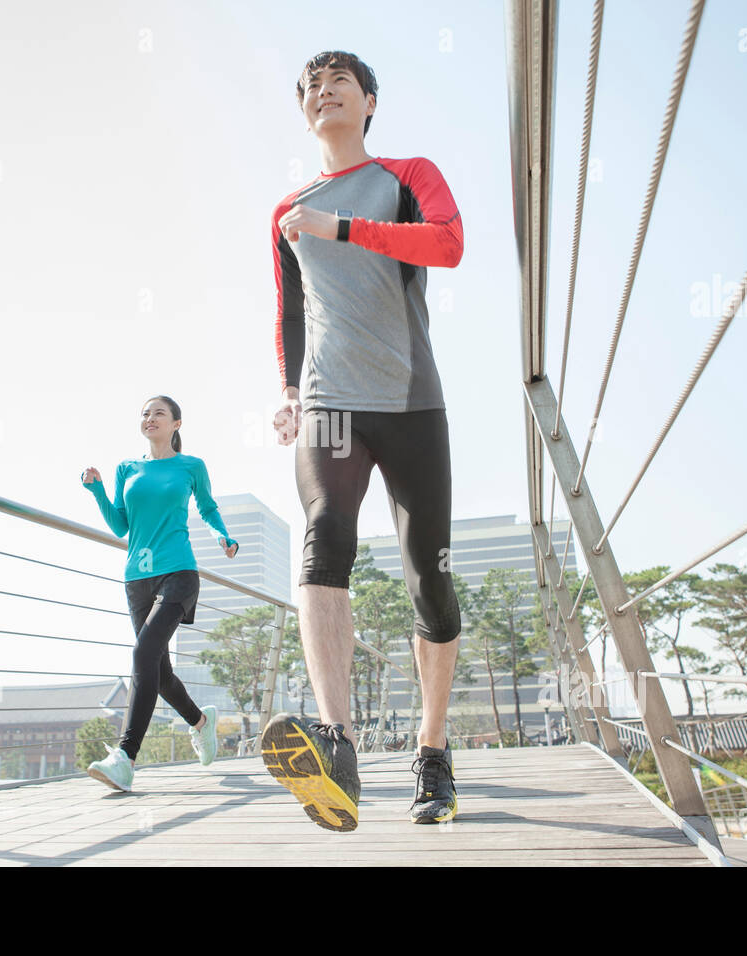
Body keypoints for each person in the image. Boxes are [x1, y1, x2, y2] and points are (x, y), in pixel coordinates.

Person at [260, 51, 465, 831]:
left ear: (369, 100)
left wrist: (341, 225)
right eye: (311, 86)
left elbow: (446, 245)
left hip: (411, 401)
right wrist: (288, 394)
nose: (323, 92)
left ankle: (433, 749)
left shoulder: (409, 174)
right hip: (331, 403)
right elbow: (289, 314)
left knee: (429, 585)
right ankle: (336, 742)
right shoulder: (286, 210)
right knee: (324, 539)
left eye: (338, 81)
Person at [81, 395, 239, 791]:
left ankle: (124, 758)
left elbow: (207, 507)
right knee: (160, 671)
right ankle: (201, 722)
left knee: (142, 653)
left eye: (159, 413)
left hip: (179, 572)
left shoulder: (191, 466)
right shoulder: (126, 468)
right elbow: (120, 525)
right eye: (146, 413)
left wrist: (222, 535)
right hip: (137, 577)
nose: (150, 418)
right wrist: (98, 490)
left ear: (176, 424)